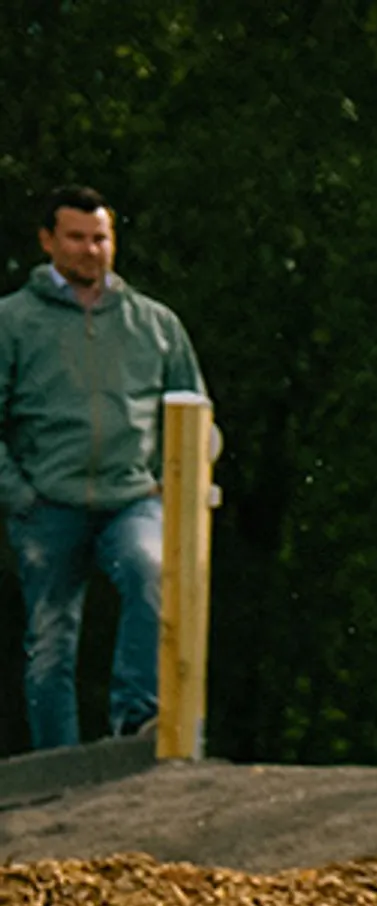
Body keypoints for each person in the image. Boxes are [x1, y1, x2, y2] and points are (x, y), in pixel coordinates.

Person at [0, 186, 202, 751]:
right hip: (46, 501)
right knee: (50, 641)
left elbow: (193, 408)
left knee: (150, 573)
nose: (91, 250)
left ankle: (136, 725)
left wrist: (167, 484)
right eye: (77, 238)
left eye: (101, 238)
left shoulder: (155, 323)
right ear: (47, 241)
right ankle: (57, 763)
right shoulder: (12, 321)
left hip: (131, 497)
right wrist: (17, 493)